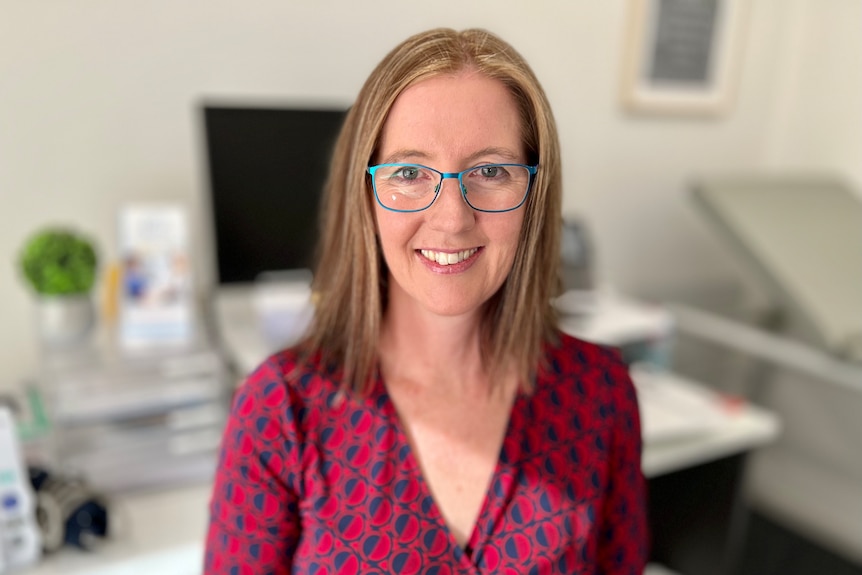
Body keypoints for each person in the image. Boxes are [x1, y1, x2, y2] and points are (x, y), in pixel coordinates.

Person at [205, 27, 648, 574]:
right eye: (410, 173)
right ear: (364, 195)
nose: (451, 218)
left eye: (490, 171)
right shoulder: (282, 409)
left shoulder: (600, 392)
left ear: (533, 195)